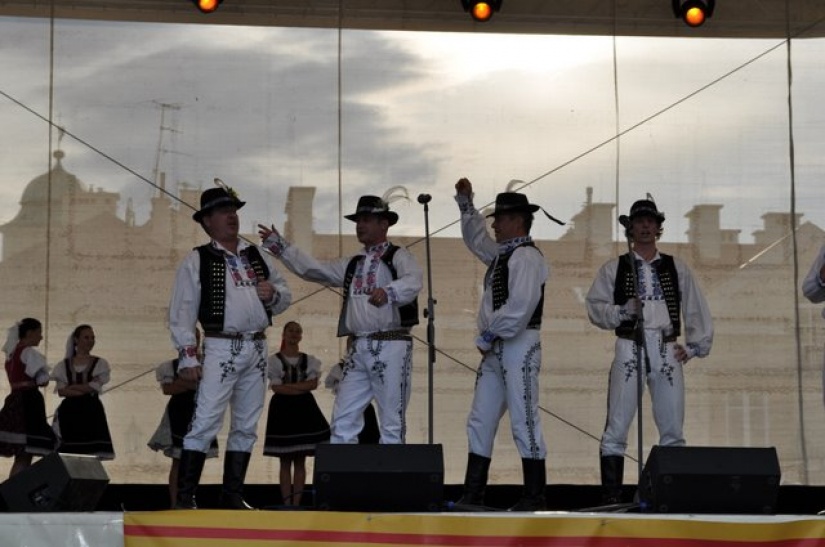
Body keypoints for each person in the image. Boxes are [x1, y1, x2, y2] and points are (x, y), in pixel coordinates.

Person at [259, 193, 422, 444]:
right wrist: (281, 247)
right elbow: (315, 270)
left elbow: (413, 281)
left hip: (391, 344)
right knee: (343, 419)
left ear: (384, 224)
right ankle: (343, 481)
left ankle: (388, 482)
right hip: (359, 347)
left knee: (392, 420)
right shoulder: (353, 263)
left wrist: (389, 292)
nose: (360, 225)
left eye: (367, 219)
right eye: (358, 220)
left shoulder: (398, 256)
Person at [169, 182, 291, 510]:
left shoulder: (257, 254)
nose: (232, 216)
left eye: (234, 210)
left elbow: (284, 293)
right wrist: (188, 356)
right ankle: (185, 498)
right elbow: (181, 313)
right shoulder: (198, 259)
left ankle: (232, 495)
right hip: (221, 345)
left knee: (247, 424)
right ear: (207, 221)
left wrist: (274, 295)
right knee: (206, 419)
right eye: (224, 211)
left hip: (256, 346)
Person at [585, 198, 713, 505]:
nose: (645, 226)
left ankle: (668, 496)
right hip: (630, 344)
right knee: (617, 424)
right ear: (630, 228)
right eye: (639, 221)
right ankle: (612, 498)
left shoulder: (675, 267)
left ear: (658, 227)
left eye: (650, 221)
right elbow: (594, 307)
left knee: (672, 425)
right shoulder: (614, 267)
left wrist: (695, 347)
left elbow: (695, 307)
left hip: (666, 346)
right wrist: (621, 311)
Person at [452, 178, 550, 512]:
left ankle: (535, 494)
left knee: (524, 416)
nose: (494, 224)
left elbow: (520, 308)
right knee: (481, 417)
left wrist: (487, 334)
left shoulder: (525, 257)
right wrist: (466, 204)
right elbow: (476, 240)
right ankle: (474, 493)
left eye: (501, 218)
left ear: (518, 221)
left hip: (519, 342)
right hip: (498, 346)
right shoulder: (503, 255)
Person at [147, 330, 219, 509]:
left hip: (200, 412)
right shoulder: (170, 366)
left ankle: (189, 498)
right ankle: (175, 503)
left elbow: (209, 388)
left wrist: (183, 383)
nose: (193, 340)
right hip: (179, 412)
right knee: (178, 460)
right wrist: (194, 384)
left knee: (195, 459)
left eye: (195, 337)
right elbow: (168, 389)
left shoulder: (208, 363)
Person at [262, 321, 330, 507]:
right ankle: (286, 503)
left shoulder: (310, 360)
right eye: (290, 330)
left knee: (300, 460)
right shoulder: (274, 361)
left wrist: (288, 387)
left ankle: (296, 503)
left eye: (297, 331)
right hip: (284, 410)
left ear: (301, 336)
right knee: (285, 460)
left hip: (304, 410)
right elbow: (277, 388)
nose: (294, 334)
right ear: (283, 334)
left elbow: (313, 385)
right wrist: (300, 389)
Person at [0, 318, 56, 477]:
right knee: (28, 451)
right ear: (30, 333)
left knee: (23, 453)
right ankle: (16, 493)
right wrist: (50, 377)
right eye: (39, 333)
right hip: (28, 402)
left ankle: (13, 493)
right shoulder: (28, 352)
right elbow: (41, 380)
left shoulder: (12, 354)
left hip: (15, 400)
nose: (41, 337)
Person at [51, 324, 115, 460]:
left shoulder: (100, 363)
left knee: (91, 452)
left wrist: (72, 387)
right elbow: (62, 392)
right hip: (70, 413)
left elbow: (93, 387)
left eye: (92, 338)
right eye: (86, 337)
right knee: (70, 454)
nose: (90, 341)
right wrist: (84, 388)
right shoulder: (63, 365)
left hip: (91, 411)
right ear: (76, 340)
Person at [323, 336, 380, 444]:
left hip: (364, 408)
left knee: (368, 440)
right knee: (344, 436)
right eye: (351, 345)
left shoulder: (368, 366)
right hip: (345, 407)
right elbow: (332, 386)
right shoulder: (340, 368)